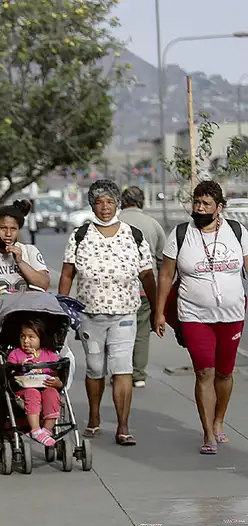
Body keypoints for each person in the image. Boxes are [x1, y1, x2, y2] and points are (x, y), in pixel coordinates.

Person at [59, 180, 155, 447]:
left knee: (122, 368)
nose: (104, 207)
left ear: (118, 204)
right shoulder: (80, 235)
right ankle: (94, 416)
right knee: (95, 367)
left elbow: (147, 274)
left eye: (109, 202)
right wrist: (63, 309)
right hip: (90, 314)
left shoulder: (133, 235)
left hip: (125, 313)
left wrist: (158, 310)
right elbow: (68, 273)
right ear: (92, 205)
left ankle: (123, 426)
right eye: (99, 202)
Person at [155, 180, 248, 455]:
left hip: (231, 314)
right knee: (204, 371)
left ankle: (219, 420)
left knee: (225, 372)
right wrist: (159, 312)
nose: (200, 208)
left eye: (206, 204)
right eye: (197, 202)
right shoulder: (182, 234)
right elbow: (165, 275)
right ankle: (208, 432)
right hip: (194, 314)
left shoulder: (236, 231)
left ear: (219, 207)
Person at [118, 186, 166, 388]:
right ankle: (138, 374)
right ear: (142, 202)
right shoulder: (153, 224)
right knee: (142, 331)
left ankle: (121, 370)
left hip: (117, 290)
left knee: (119, 331)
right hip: (145, 288)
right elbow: (162, 259)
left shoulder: (114, 223)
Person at [7, 318, 64, 447]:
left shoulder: (50, 355)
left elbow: (58, 379)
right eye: (23, 337)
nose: (26, 341)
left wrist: (57, 383)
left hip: (45, 387)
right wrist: (22, 367)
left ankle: (47, 430)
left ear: (41, 338)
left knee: (52, 393)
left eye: (31, 337)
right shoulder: (15, 354)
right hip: (24, 390)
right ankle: (35, 430)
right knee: (33, 393)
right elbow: (10, 376)